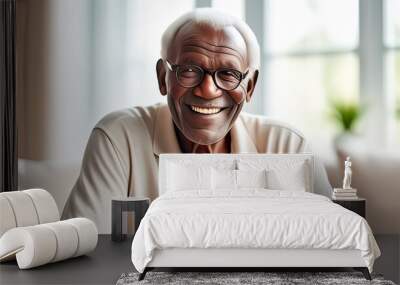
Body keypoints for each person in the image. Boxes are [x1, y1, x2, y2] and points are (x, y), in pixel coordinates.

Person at [62, 8, 332, 233]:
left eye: (228, 73)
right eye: (189, 70)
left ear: (249, 87)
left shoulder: (287, 145)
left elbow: (332, 244)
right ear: (162, 78)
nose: (207, 90)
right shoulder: (118, 138)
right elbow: (85, 249)